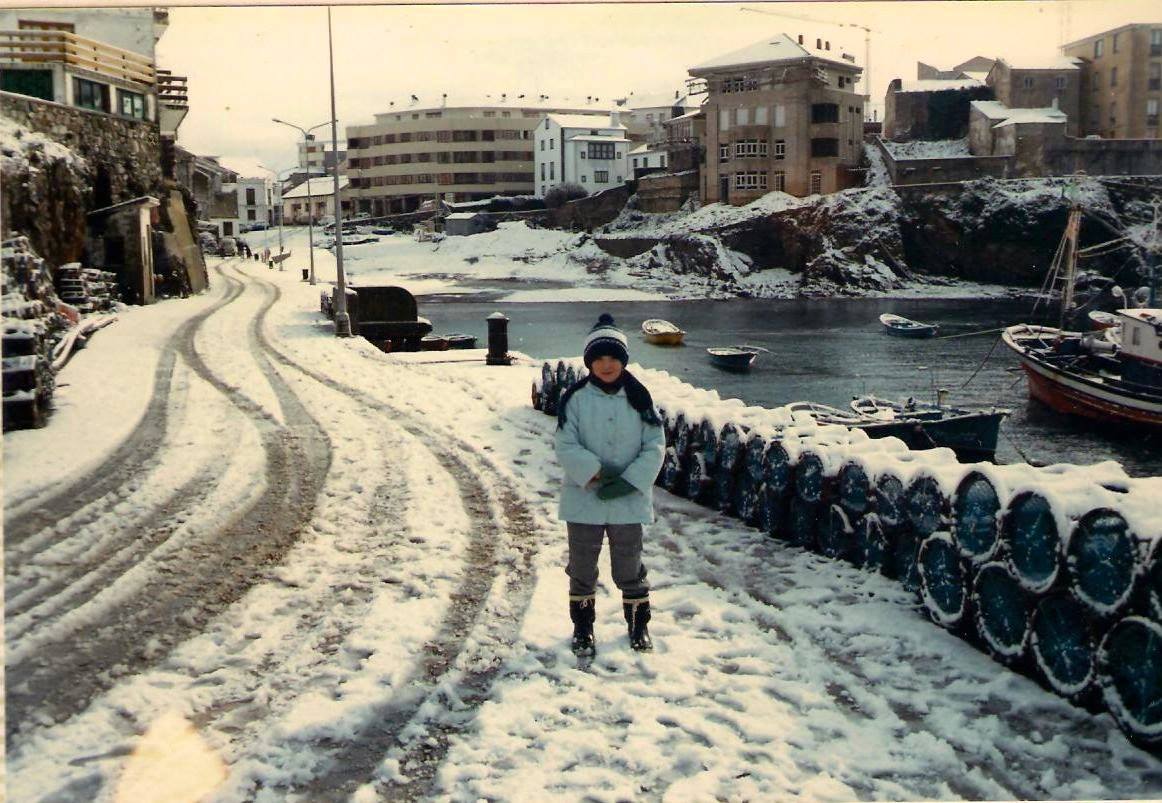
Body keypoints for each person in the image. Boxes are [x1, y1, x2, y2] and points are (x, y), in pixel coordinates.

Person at [554, 314, 665, 656]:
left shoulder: (640, 399)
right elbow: (565, 444)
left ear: (623, 361)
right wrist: (597, 474)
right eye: (599, 358)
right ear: (589, 362)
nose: (606, 365)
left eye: (613, 358)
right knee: (582, 568)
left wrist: (630, 481)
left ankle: (638, 626)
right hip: (583, 499)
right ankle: (583, 628)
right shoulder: (574, 399)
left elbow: (655, 445)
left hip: (628, 501)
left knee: (629, 567)